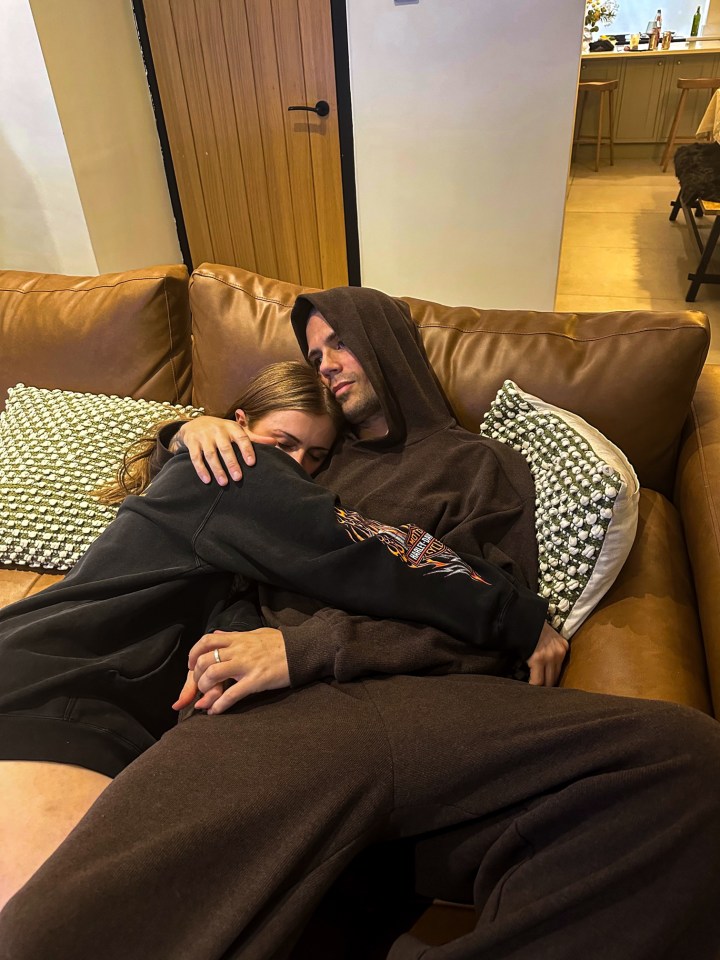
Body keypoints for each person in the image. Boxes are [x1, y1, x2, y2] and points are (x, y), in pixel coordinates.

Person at [1, 287, 719, 960]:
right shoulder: (279, 467)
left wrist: (314, 646)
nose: (327, 366)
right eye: (314, 355)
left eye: (339, 342)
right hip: (242, 718)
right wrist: (185, 434)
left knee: (683, 763)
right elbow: (244, 557)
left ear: (388, 344)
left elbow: (467, 595)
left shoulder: (479, 464)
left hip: (404, 703)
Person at [0, 357, 550, 911]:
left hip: (84, 698)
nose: (297, 469)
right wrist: (520, 618)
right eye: (282, 442)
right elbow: (369, 559)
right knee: (62, 923)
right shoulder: (238, 473)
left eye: (315, 457)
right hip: (57, 693)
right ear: (240, 425)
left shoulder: (220, 483)